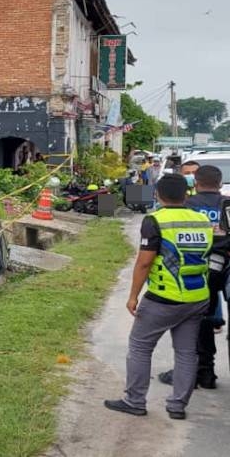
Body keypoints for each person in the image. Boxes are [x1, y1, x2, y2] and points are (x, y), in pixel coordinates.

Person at [104, 173, 213, 420]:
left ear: (157, 195)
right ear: (187, 195)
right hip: (197, 296)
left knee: (140, 347)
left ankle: (134, 401)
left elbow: (144, 263)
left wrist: (133, 296)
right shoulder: (202, 220)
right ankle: (177, 406)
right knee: (186, 353)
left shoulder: (155, 220)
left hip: (164, 297)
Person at [156, 164, 228, 388]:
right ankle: (204, 372)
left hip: (195, 269)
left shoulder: (189, 206)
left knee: (194, 321)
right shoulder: (227, 205)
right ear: (220, 182)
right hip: (225, 267)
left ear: (195, 183)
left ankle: (197, 371)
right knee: (205, 316)